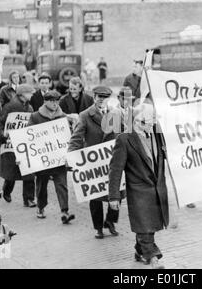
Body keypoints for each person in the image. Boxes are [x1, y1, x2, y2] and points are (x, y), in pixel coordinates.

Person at [108, 103, 169, 269]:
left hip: (157, 189)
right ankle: (153, 257)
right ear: (137, 121)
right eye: (148, 122)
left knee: (150, 225)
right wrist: (113, 196)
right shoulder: (124, 139)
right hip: (138, 191)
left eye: (153, 122)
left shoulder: (157, 134)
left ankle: (139, 250)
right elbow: (115, 169)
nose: (151, 126)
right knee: (144, 225)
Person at [68, 85, 121, 239]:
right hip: (93, 163)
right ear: (94, 97)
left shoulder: (115, 114)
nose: (101, 100)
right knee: (95, 196)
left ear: (109, 99)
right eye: (99, 97)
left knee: (115, 192)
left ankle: (110, 221)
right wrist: (71, 157)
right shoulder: (85, 115)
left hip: (111, 160)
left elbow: (120, 135)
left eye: (104, 97)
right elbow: (76, 137)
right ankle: (98, 227)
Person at [27, 90, 75, 224]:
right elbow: (28, 135)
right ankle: (41, 207)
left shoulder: (63, 116)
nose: (55, 104)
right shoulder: (35, 116)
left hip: (58, 158)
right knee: (42, 185)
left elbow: (69, 135)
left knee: (62, 185)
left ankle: (64, 211)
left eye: (56, 101)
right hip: (43, 159)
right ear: (45, 101)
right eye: (52, 101)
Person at [0, 84, 36, 207]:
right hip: (11, 144)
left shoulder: (30, 108)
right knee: (11, 173)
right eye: (30, 93)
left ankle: (29, 199)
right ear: (22, 94)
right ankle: (7, 190)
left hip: (25, 145)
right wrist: (1, 135)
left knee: (29, 172)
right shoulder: (9, 107)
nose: (32, 95)